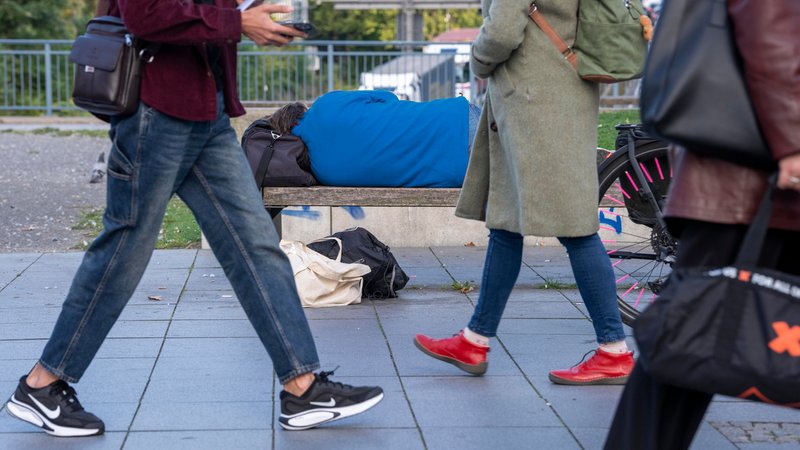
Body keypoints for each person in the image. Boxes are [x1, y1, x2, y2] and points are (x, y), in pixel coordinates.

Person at [4, 0, 383, 437]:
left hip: (208, 115)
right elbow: (145, 15)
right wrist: (237, 21)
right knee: (123, 252)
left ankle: (302, 388)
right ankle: (43, 383)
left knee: (257, 247)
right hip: (155, 112)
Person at [604, 1, 800, 449]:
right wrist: (792, 143)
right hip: (752, 179)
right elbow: (771, 28)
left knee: (687, 339)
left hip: (738, 178)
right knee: (685, 341)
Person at [412, 0, 634, 384]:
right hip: (564, 92)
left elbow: (502, 32)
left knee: (576, 228)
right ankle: (474, 340)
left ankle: (614, 350)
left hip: (535, 103)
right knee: (506, 223)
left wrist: (479, 63)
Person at [270, 90, 480, 188]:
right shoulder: (326, 104)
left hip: (460, 173)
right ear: (299, 114)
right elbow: (389, 97)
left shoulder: (325, 173)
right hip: (456, 118)